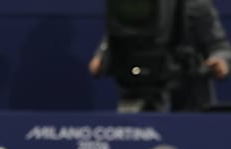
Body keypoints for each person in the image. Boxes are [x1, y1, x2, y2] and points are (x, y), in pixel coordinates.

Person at [89, 0, 231, 111]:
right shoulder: (131, 4)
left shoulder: (196, 4)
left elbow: (218, 46)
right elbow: (119, 32)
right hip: (136, 90)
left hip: (187, 97)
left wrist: (220, 61)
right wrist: (101, 56)